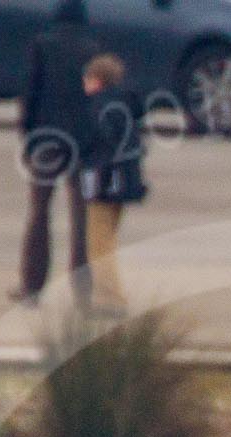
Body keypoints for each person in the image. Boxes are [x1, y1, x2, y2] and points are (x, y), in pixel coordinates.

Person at [10, 0, 99, 307]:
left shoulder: (43, 45)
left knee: (39, 213)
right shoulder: (92, 50)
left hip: (47, 139)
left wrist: (27, 136)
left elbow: (30, 93)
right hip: (83, 142)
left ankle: (32, 287)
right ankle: (83, 292)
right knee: (82, 218)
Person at [78, 53, 145, 317]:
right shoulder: (126, 104)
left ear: (96, 80)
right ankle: (109, 296)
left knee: (99, 243)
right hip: (127, 180)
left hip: (104, 181)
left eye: (87, 77)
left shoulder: (99, 106)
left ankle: (110, 299)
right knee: (109, 238)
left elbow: (98, 144)